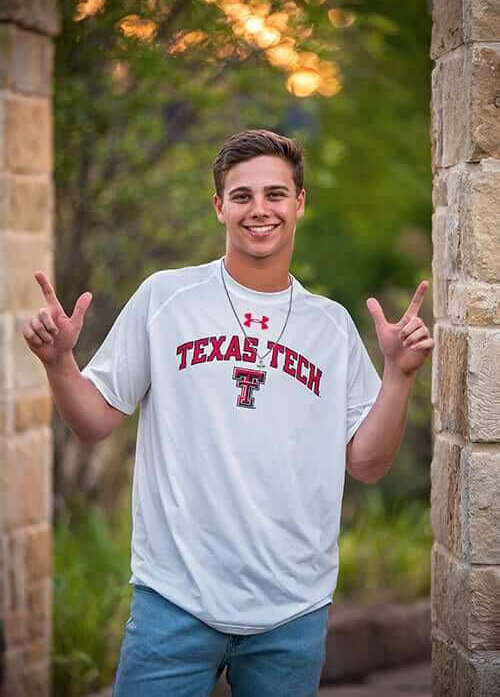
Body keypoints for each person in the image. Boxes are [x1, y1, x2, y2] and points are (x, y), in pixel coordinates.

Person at [23, 128, 434, 697]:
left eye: (275, 194)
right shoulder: (166, 299)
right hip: (175, 601)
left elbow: (367, 463)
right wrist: (60, 363)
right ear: (220, 207)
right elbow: (93, 422)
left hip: (293, 608)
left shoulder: (331, 326)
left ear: (299, 203)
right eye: (241, 196)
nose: (259, 210)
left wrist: (399, 375)